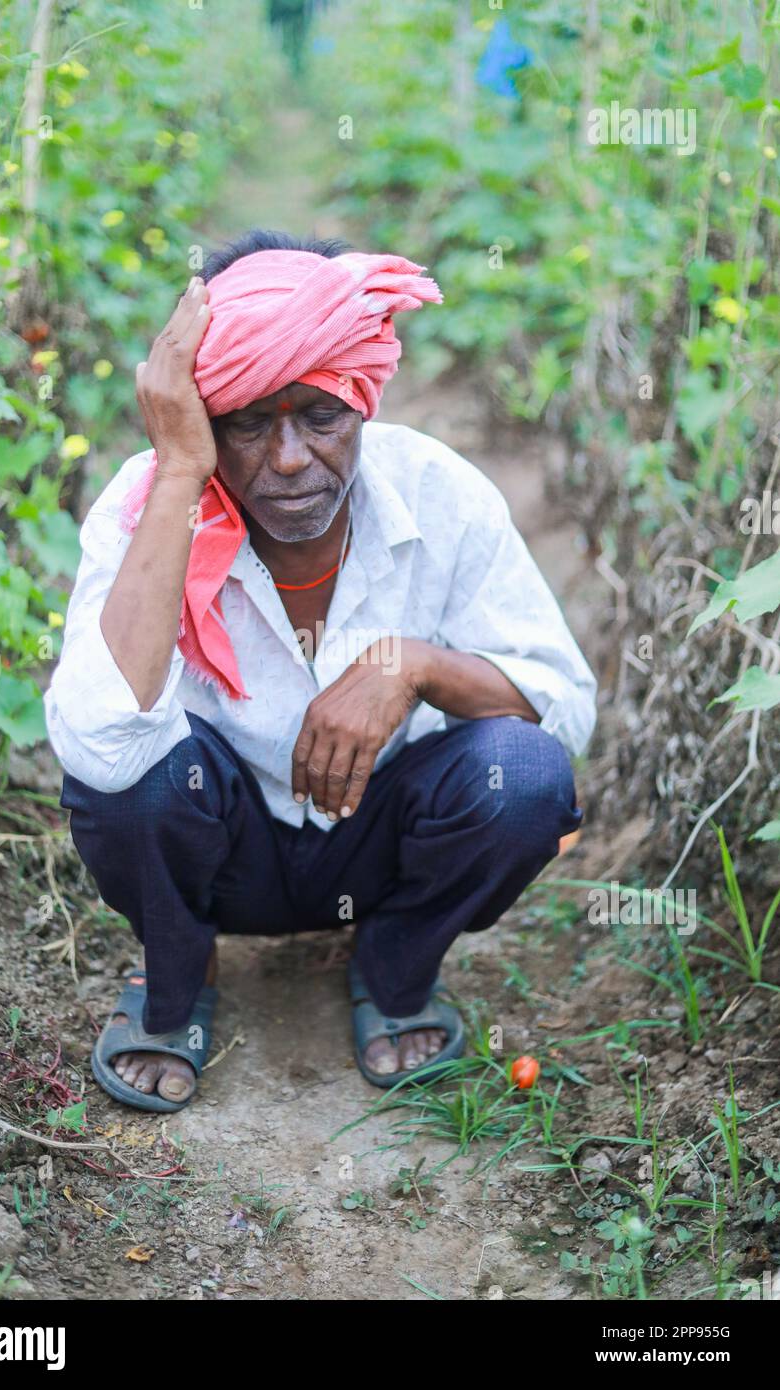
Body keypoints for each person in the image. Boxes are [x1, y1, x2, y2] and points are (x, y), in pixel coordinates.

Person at [45, 229, 595, 1112]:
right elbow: (101, 750)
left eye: (322, 417)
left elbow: (564, 710)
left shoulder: (439, 495)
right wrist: (183, 473)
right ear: (203, 420)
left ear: (365, 407)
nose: (292, 457)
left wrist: (411, 666)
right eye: (249, 423)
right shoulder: (149, 505)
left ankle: (393, 964)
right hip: (220, 846)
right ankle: (179, 976)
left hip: (375, 839)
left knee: (523, 777)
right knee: (135, 782)